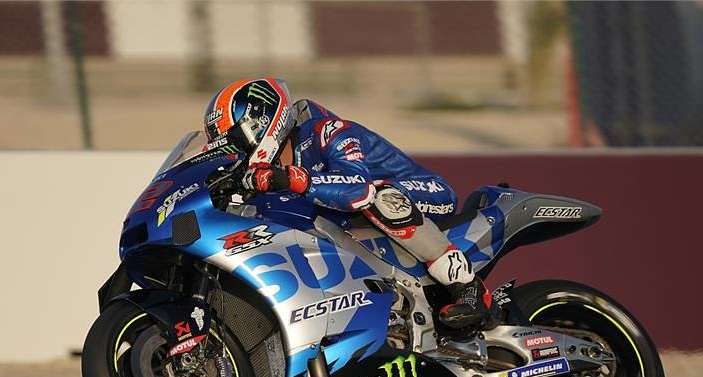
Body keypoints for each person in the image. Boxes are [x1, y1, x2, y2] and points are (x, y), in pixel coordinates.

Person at [203, 77, 492, 329]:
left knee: (381, 195)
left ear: (262, 124)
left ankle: (466, 286)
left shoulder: (327, 131)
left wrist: (292, 178)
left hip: (425, 193)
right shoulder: (268, 177)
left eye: (235, 142)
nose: (233, 152)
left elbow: (358, 190)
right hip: (367, 226)